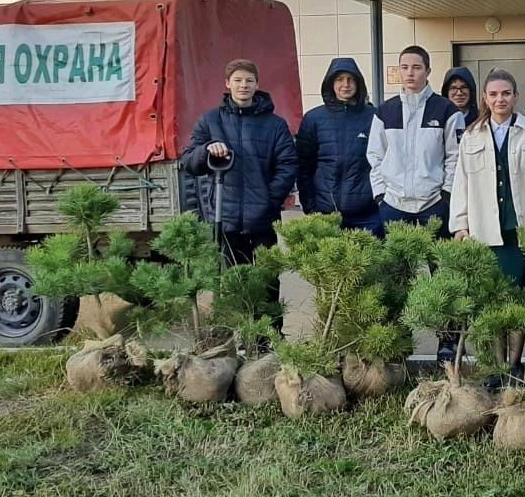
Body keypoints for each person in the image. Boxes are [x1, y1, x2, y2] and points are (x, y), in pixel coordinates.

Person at [449, 69, 525, 388]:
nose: (499, 99)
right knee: (491, 300)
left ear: (515, 96)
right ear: (485, 98)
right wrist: (460, 225)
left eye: (505, 93)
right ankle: (496, 367)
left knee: (518, 299)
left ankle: (515, 366)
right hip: (485, 230)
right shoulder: (472, 136)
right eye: (493, 94)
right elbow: (461, 182)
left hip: (520, 230)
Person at [181, 59, 298, 326]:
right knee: (234, 280)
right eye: (238, 80)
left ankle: (269, 337)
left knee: (267, 280)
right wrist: (207, 149)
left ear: (257, 85)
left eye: (248, 80)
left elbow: (288, 165)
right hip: (225, 217)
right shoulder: (210, 121)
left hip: (262, 219)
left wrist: (270, 200)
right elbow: (188, 160)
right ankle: (243, 336)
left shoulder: (274, 124)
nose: (243, 85)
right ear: (227, 84)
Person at [367, 46, 461, 240]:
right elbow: (375, 156)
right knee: (398, 267)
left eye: (417, 67)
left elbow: (455, 156)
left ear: (428, 71)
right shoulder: (385, 111)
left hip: (434, 202)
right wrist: (380, 195)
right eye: (404, 67)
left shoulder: (447, 110)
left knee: (439, 265)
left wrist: (447, 194)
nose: (410, 73)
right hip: (393, 203)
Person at [295, 57, 381, 234]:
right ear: (330, 84)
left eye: (351, 79)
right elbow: (303, 168)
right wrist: (311, 208)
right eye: (340, 79)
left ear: (358, 84)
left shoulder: (375, 117)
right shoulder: (313, 119)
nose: (346, 84)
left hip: (367, 215)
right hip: (324, 214)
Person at [441, 66, 479, 143]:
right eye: (453, 88)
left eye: (464, 87)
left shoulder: (481, 119)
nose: (459, 93)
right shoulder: (439, 121)